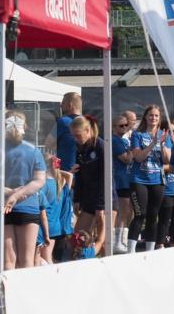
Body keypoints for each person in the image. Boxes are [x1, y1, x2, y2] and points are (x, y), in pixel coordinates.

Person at [0, 110, 46, 269]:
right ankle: (24, 294)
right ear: (26, 126)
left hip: (1, 207)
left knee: (8, 259)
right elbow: (39, 180)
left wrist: (9, 192)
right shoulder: (34, 150)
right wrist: (18, 194)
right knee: (27, 260)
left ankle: (9, 294)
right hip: (28, 206)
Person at [129, 105, 172, 253]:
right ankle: (130, 251)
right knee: (140, 214)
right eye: (151, 115)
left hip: (157, 180)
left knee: (153, 216)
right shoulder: (137, 134)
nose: (153, 118)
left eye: (156, 116)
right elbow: (139, 157)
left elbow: (167, 160)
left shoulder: (164, 135)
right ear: (146, 117)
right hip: (139, 179)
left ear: (159, 119)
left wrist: (161, 143)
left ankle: (150, 251)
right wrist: (152, 143)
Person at [70, 115, 110, 255]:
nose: (76, 139)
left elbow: (105, 177)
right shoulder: (80, 148)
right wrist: (77, 199)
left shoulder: (101, 147)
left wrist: (101, 205)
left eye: (78, 135)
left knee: (104, 242)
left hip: (105, 198)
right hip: (88, 198)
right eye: (73, 136)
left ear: (88, 130)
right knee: (77, 238)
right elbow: (79, 176)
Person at [111, 113, 135, 253]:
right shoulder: (115, 140)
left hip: (127, 179)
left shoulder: (124, 141)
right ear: (114, 127)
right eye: (121, 125)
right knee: (122, 210)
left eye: (126, 125)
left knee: (128, 210)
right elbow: (126, 158)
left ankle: (123, 239)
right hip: (120, 180)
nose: (125, 127)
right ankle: (117, 241)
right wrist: (133, 148)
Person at [157, 118, 174, 248]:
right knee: (165, 218)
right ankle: (160, 243)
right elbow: (163, 165)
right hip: (165, 188)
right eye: (170, 131)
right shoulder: (162, 143)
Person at [55, 92, 83, 173]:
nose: (61, 105)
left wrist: (56, 169)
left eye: (63, 103)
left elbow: (49, 147)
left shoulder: (63, 121)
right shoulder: (88, 123)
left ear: (70, 105)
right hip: (84, 174)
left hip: (65, 174)